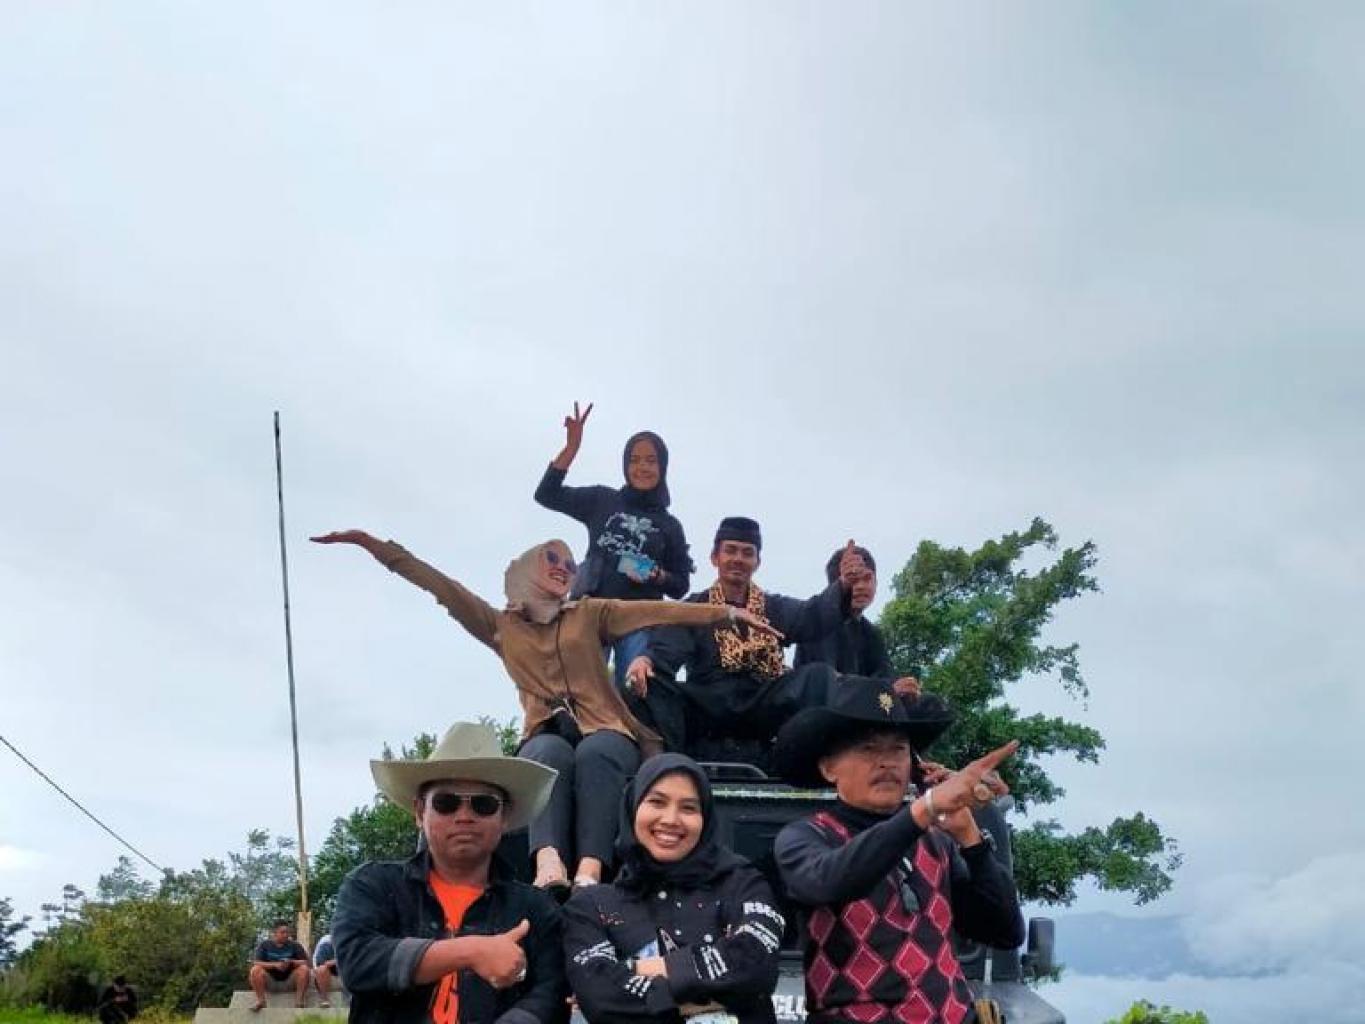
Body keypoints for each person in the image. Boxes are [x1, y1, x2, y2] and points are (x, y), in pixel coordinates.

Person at [313, 531, 779, 892]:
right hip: (545, 728)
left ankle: (591, 870)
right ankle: (549, 864)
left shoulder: (589, 613)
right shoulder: (500, 626)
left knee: (598, 751)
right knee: (544, 754)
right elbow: (441, 586)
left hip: (606, 728)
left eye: (571, 564)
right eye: (552, 558)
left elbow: (658, 612)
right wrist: (374, 546)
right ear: (527, 567)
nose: (563, 568)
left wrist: (725, 614)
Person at [772, 681, 1025, 1024]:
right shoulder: (805, 837)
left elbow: (1005, 933)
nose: (886, 763)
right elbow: (832, 880)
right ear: (829, 768)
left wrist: (971, 839)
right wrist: (925, 809)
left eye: (898, 750)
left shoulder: (937, 841)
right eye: (868, 749)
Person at [331, 721, 568, 1024]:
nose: (464, 816)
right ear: (420, 812)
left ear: (505, 816)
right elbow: (358, 962)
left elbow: (551, 993)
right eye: (446, 803)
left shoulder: (537, 909)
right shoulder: (373, 885)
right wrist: (471, 951)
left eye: (483, 804)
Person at [564, 753, 784, 1024]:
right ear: (632, 808)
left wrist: (636, 970)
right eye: (657, 802)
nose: (671, 819)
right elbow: (600, 997)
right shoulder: (590, 906)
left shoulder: (743, 883)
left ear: (705, 819)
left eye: (688, 808)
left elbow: (755, 965)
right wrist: (717, 997)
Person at [625, 518, 866, 755]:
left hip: (761, 702)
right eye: (730, 550)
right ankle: (664, 768)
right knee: (647, 682)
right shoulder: (695, 607)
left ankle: (811, 766)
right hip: (708, 702)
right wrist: (646, 660)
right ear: (714, 558)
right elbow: (667, 648)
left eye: (747, 553)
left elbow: (812, 615)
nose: (738, 559)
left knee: (818, 677)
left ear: (757, 562)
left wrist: (843, 585)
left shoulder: (773, 607)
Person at [534, 402, 695, 689]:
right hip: (590, 612)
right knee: (577, 690)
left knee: (633, 692)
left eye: (650, 461)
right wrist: (571, 448)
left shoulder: (670, 525)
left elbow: (680, 585)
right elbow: (546, 494)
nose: (642, 467)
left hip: (638, 619)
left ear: (662, 467)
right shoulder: (603, 500)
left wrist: (657, 575)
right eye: (635, 460)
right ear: (625, 465)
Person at [793, 545, 922, 699]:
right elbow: (828, 685)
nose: (860, 587)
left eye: (867, 579)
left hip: (870, 705)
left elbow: (886, 678)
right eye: (853, 581)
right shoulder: (817, 625)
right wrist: (885, 690)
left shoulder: (871, 634)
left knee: (926, 703)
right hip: (826, 707)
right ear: (836, 587)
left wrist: (903, 690)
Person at [249, 920, 312, 1011]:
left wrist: (291, 962)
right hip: (270, 981)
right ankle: (261, 1001)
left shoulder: (295, 945)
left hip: (290, 981)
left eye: (287, 932)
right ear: (274, 933)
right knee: (255, 970)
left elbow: (306, 962)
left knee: (304, 969)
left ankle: (299, 1002)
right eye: (282, 932)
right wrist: (275, 965)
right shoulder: (264, 945)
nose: (286, 935)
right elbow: (256, 962)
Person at [313, 932, 341, 1008]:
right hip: (331, 969)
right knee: (321, 969)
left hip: (346, 967)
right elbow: (321, 964)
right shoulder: (326, 943)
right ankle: (324, 999)